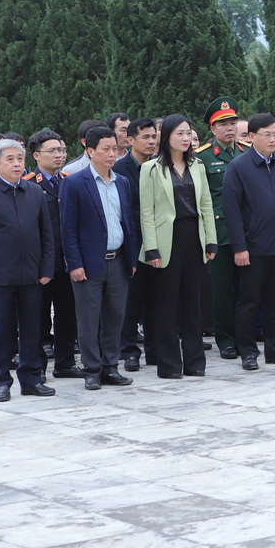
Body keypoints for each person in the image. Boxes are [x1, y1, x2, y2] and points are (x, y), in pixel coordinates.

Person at [60, 126, 138, 390]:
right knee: (88, 319)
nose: (111, 154)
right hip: (88, 264)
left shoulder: (122, 182)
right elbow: (68, 229)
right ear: (90, 151)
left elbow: (127, 222)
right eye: (105, 149)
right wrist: (75, 264)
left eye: (114, 148)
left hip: (118, 260)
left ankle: (110, 367)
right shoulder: (73, 182)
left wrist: (132, 259)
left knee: (115, 317)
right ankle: (92, 369)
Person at [223, 113, 275, 371]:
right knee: (249, 301)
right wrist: (240, 247)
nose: (272, 139)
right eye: (266, 134)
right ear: (251, 137)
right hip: (253, 247)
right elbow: (232, 211)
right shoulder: (239, 166)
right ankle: (247, 351)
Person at [139, 115, 217, 379]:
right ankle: (169, 365)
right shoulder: (150, 169)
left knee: (192, 303)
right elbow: (146, 212)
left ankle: (195, 363)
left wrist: (210, 239)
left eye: (188, 133)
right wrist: (151, 248)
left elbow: (206, 205)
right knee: (166, 305)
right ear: (167, 136)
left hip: (193, 236)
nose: (185, 138)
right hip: (165, 240)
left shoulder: (197, 165)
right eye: (180, 133)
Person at [0, 139, 56, 401]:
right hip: (1, 277)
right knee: (2, 331)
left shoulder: (34, 192)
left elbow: (47, 235)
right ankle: (0, 381)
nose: (17, 163)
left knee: (32, 330)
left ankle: (31, 379)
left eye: (19, 158)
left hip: (32, 275)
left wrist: (46, 268)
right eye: (10, 159)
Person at [24, 131, 83, 380]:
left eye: (61, 150)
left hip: (67, 261)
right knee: (37, 318)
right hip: (39, 264)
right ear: (36, 155)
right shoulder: (28, 184)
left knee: (67, 314)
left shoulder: (70, 181)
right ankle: (36, 367)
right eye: (52, 151)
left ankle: (66, 363)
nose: (59, 155)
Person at [197, 96, 250, 360]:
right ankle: (225, 339)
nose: (229, 128)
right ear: (213, 129)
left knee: (246, 290)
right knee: (222, 291)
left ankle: (244, 337)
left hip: (248, 233)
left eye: (232, 123)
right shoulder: (203, 157)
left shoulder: (246, 152)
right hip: (219, 233)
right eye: (223, 124)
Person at [113, 118, 159, 371]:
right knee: (131, 301)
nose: (151, 141)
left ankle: (155, 349)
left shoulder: (161, 166)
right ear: (130, 140)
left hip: (159, 244)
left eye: (154, 136)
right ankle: (129, 351)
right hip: (131, 244)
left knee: (156, 298)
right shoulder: (119, 169)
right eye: (146, 137)